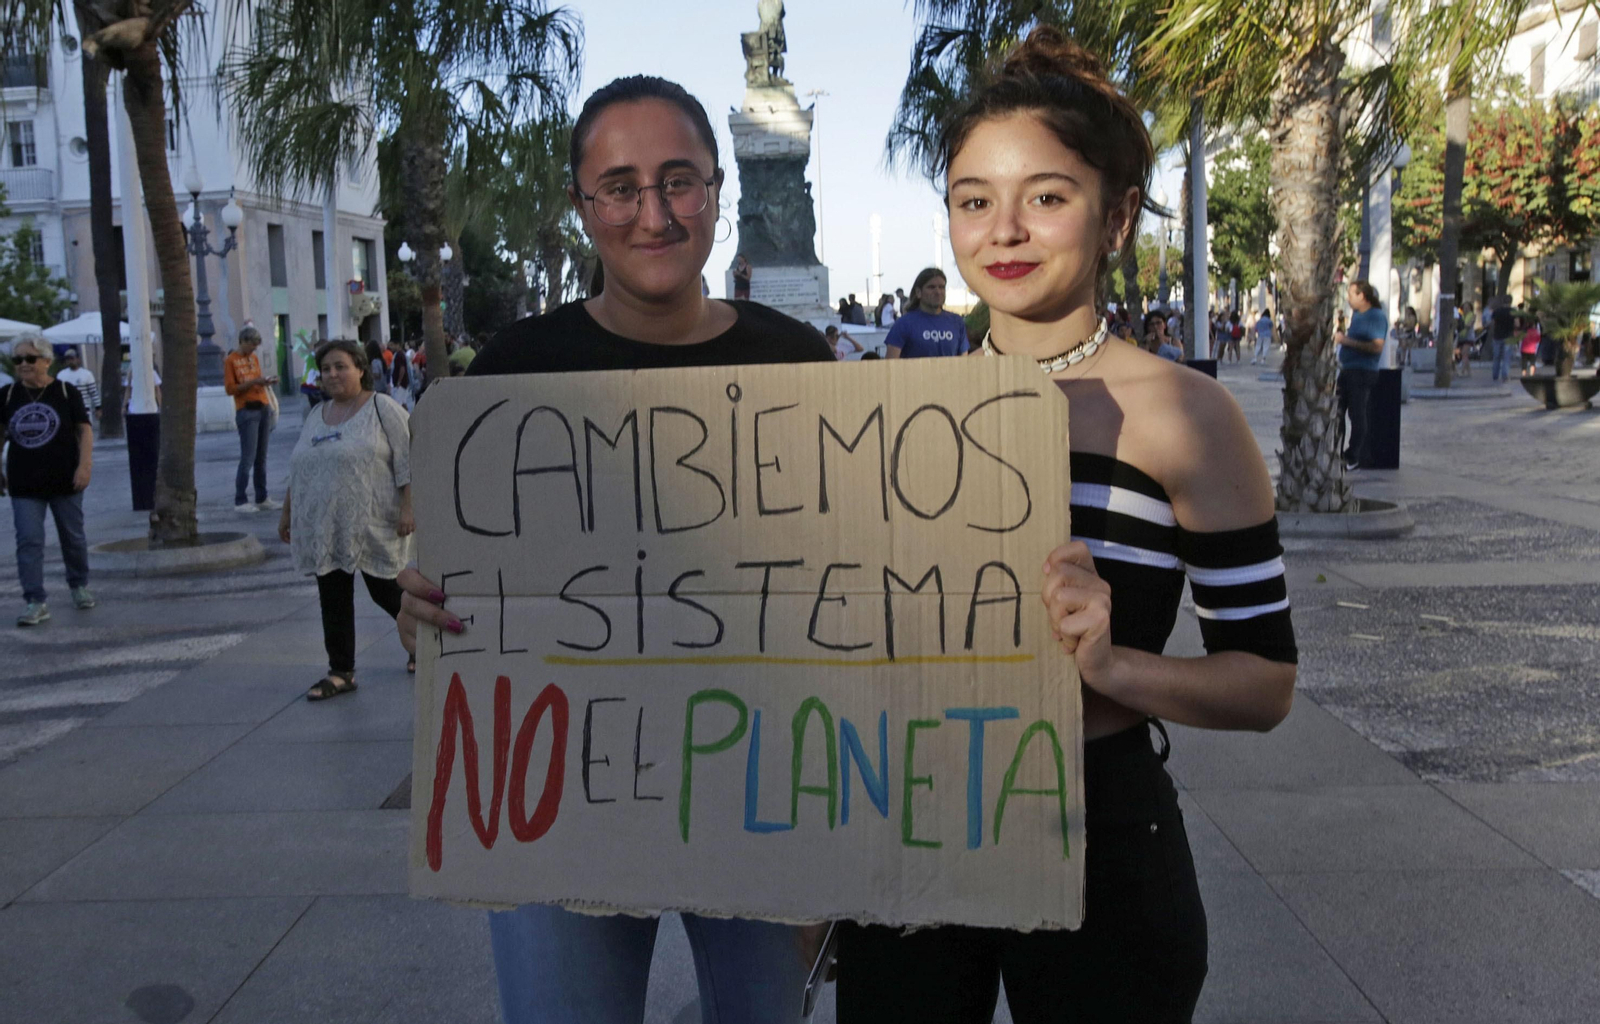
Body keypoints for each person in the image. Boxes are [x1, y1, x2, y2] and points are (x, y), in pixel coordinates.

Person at [837, 28, 1296, 1022]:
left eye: (1045, 197)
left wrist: (1114, 666)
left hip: (1101, 829)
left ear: (1116, 216)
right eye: (973, 201)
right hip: (912, 830)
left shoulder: (1185, 416)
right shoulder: (881, 408)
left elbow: (1263, 681)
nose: (1002, 231)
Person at [392, 74, 835, 1024]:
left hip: (756, 796)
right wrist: (421, 610)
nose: (655, 214)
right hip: (560, 806)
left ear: (717, 189)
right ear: (581, 204)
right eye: (621, 187)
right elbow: (452, 594)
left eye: (680, 181)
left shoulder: (797, 363)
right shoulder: (509, 375)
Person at [278, 338, 414, 698]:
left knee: (387, 590)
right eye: (326, 369)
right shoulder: (315, 415)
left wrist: (409, 507)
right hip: (325, 524)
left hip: (375, 518)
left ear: (360, 369)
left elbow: (409, 457)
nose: (333, 374)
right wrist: (288, 512)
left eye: (341, 366)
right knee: (332, 594)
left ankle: (426, 642)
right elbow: (299, 467)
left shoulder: (382, 407)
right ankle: (341, 671)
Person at [1, 335, 96, 625]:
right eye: (18, 360)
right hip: (24, 482)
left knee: (73, 537)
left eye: (30, 358)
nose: (24, 365)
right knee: (28, 540)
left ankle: (78, 584)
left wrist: (84, 466)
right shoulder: (7, 394)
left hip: (65, 478)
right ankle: (35, 601)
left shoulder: (66, 391)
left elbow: (84, 430)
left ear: (46, 361)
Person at [223, 326, 281, 513]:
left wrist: (264, 381)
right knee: (248, 457)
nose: (253, 350)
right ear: (243, 341)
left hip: (262, 405)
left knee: (261, 457)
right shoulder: (231, 361)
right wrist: (253, 382)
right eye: (252, 346)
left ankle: (261, 496)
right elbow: (230, 389)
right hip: (246, 410)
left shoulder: (253, 359)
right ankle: (240, 500)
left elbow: (255, 379)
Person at [1336, 280, 1386, 472]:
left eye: (1350, 295)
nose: (1348, 299)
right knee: (1337, 411)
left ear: (1362, 296)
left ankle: (1353, 455)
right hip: (1347, 369)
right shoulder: (1357, 316)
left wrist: (1346, 342)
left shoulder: (1376, 316)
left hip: (1363, 371)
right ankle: (1336, 451)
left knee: (1357, 413)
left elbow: (1376, 346)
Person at [885, 267, 969, 358]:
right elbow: (890, 366)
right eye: (931, 287)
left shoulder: (956, 322)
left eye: (941, 287)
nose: (938, 292)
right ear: (918, 292)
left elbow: (964, 361)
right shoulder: (904, 324)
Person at [56, 348, 101, 423]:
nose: (70, 361)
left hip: (84, 409)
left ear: (78, 359)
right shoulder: (61, 375)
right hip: (67, 410)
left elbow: (93, 392)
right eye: (68, 359)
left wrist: (98, 408)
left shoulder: (87, 374)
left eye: (72, 358)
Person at [1488, 295, 1514, 381]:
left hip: (1497, 336)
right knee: (1506, 357)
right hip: (1509, 336)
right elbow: (1517, 323)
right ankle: (1505, 375)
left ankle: (1495, 375)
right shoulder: (1513, 311)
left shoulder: (1497, 311)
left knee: (1496, 357)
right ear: (1511, 301)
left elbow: (1492, 323)